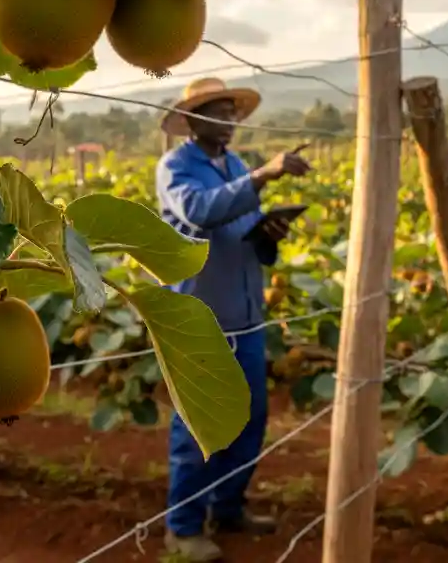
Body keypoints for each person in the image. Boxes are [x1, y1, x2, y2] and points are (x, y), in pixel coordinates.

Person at [155, 78, 311, 562]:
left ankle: (228, 507)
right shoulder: (175, 167)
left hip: (245, 315)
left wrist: (269, 233)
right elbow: (201, 212)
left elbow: (244, 234)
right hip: (199, 320)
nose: (228, 120)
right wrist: (264, 177)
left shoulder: (235, 164)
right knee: (199, 427)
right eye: (217, 111)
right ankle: (181, 530)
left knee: (249, 420)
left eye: (231, 112)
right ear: (193, 119)